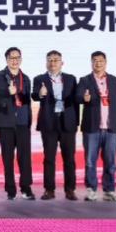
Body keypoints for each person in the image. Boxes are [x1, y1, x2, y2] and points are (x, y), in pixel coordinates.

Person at [76, 51, 116, 202]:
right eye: (95, 61)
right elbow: (77, 97)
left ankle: (109, 190)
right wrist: (83, 98)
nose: (98, 64)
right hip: (92, 127)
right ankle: (91, 190)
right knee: (90, 161)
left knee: (110, 161)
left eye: (101, 61)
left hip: (111, 128)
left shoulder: (114, 81)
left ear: (105, 62)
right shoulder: (85, 80)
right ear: (91, 63)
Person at [31, 50, 79, 201]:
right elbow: (34, 95)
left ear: (62, 63)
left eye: (56, 60)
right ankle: (49, 189)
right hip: (49, 122)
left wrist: (76, 122)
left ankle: (70, 190)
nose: (53, 63)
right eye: (50, 60)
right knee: (49, 158)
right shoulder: (39, 79)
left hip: (67, 122)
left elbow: (76, 102)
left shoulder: (71, 79)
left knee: (69, 158)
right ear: (46, 63)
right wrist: (41, 94)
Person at [0, 47, 35, 200]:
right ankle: (10, 189)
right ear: (6, 59)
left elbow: (26, 99)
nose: (15, 60)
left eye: (17, 58)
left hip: (23, 123)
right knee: (8, 158)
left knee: (25, 158)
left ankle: (26, 188)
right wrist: (8, 91)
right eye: (12, 58)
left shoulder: (26, 78)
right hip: (6, 123)